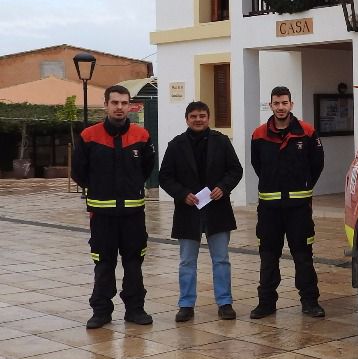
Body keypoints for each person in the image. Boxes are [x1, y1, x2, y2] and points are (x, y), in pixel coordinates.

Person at [72, 85, 156, 329]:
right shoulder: (89, 136)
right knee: (103, 263)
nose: (119, 107)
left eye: (124, 103)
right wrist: (98, 189)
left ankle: (135, 309)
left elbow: (147, 168)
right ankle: (101, 312)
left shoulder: (142, 136)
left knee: (134, 263)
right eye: (115, 102)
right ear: (106, 105)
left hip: (133, 215)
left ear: (130, 106)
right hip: (102, 215)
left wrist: (131, 186)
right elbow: (78, 171)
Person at [158, 101, 244, 322]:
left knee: (221, 259)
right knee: (187, 261)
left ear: (208, 118)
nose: (198, 119)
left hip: (217, 209)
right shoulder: (176, 145)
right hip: (188, 210)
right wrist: (182, 194)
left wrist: (223, 187)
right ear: (187, 119)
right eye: (194, 116)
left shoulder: (222, 141)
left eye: (202, 116)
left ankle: (225, 303)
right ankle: (186, 305)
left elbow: (235, 170)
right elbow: (164, 176)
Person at [249, 86, 326, 319]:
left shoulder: (307, 132)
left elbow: (317, 164)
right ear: (270, 105)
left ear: (291, 104)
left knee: (303, 256)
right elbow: (257, 165)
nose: (280, 107)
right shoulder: (259, 134)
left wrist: (303, 185)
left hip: (299, 209)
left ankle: (310, 302)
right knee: (268, 256)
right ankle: (266, 303)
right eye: (276, 103)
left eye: (284, 103)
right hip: (269, 210)